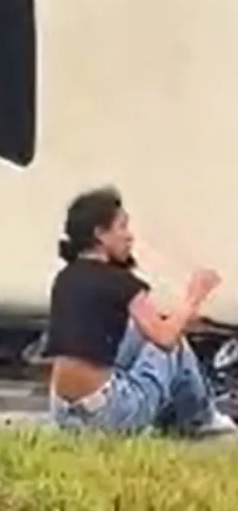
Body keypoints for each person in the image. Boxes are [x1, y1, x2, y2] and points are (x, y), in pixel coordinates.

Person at [46, 186, 237, 437]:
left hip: (62, 413)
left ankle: (184, 413)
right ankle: (200, 420)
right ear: (100, 235)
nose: (130, 237)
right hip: (109, 414)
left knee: (137, 332)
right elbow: (166, 339)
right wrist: (194, 296)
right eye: (122, 227)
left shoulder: (65, 278)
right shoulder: (121, 283)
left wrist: (179, 317)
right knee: (175, 346)